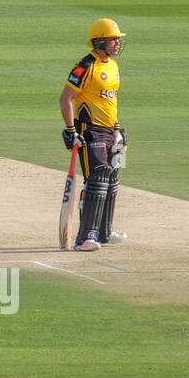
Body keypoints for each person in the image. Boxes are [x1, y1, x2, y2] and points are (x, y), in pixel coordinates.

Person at [59, 19, 129, 251]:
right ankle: (85, 238)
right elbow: (65, 98)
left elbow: (110, 100)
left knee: (112, 181)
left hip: (112, 131)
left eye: (118, 39)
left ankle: (104, 231)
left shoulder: (113, 66)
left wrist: (118, 128)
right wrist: (71, 130)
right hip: (92, 132)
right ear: (99, 40)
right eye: (113, 39)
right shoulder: (85, 66)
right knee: (97, 180)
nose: (117, 43)